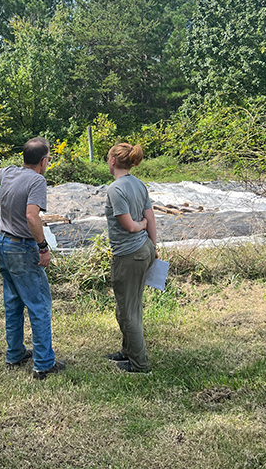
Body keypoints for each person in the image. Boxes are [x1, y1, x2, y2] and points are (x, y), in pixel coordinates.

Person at [0, 137, 65, 380]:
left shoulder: (9, 173)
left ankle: (15, 353)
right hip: (23, 248)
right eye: (48, 159)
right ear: (43, 161)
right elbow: (32, 217)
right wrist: (43, 247)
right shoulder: (37, 180)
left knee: (13, 303)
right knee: (39, 304)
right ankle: (43, 363)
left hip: (4, 244)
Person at [105, 142, 157, 374]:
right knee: (128, 307)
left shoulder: (116, 189)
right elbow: (151, 218)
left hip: (129, 254)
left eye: (108, 158)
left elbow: (129, 225)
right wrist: (153, 247)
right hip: (143, 249)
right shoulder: (138, 184)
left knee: (128, 311)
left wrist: (140, 226)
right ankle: (128, 351)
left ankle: (140, 364)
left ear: (113, 161)